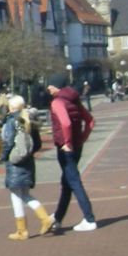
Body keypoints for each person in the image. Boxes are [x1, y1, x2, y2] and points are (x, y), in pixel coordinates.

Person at [45, 73, 97, 234]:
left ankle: (89, 219)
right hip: (77, 146)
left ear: (56, 87)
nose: (48, 89)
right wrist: (82, 138)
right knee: (67, 183)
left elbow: (65, 123)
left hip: (66, 148)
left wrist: (67, 143)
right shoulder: (74, 100)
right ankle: (58, 218)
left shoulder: (58, 102)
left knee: (73, 182)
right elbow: (90, 120)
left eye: (50, 86)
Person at [0, 96, 53, 240]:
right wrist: (28, 153)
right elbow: (37, 144)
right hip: (28, 161)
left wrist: (4, 156)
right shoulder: (27, 120)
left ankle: (23, 230)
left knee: (16, 195)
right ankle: (43, 219)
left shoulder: (14, 121)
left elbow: (9, 141)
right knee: (24, 194)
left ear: (11, 108)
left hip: (16, 163)